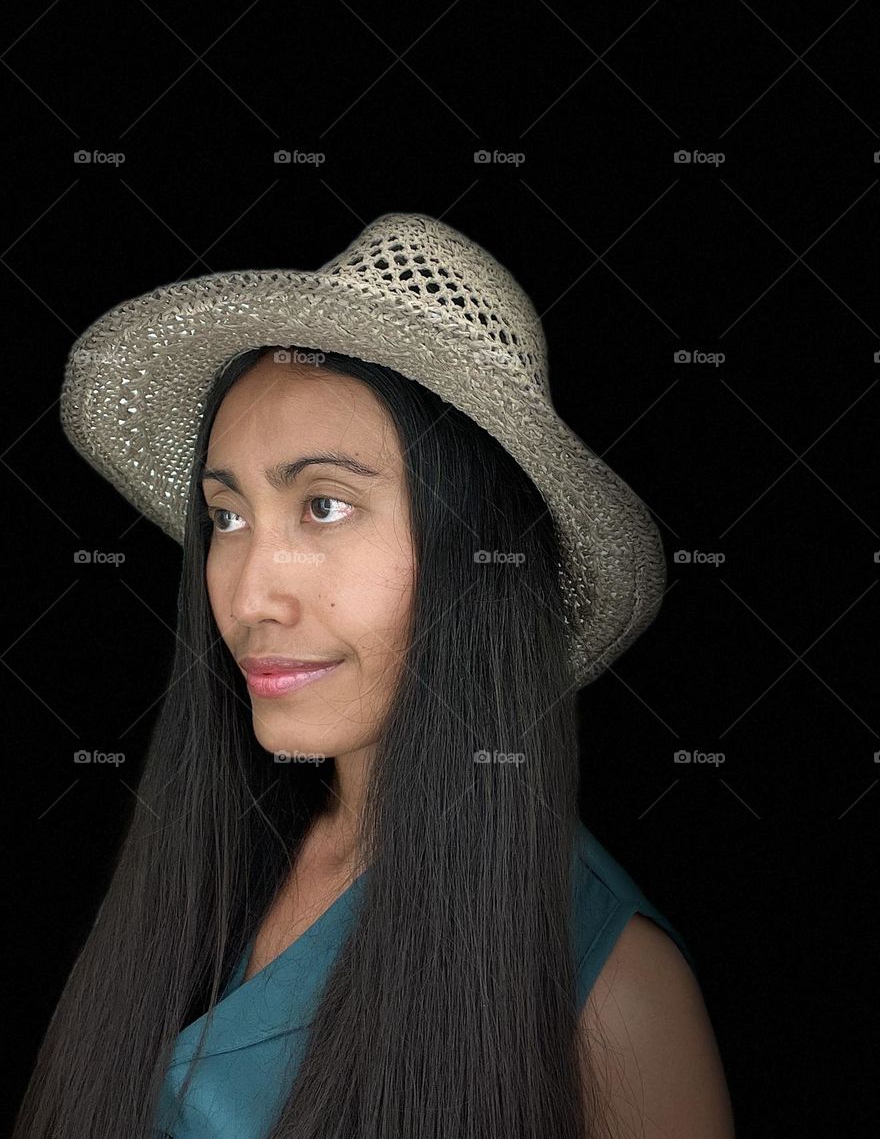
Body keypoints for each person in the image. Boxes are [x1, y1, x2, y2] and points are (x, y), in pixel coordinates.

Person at [16, 213, 734, 1138]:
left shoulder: (605, 988)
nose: (248, 598)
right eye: (227, 518)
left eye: (322, 505)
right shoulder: (218, 857)